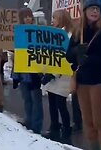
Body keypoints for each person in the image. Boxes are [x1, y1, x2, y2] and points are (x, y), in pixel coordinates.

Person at [66, 0, 101, 150]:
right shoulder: (77, 32)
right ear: (85, 11)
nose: (95, 11)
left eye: (97, 9)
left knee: (99, 121)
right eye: (91, 8)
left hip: (99, 82)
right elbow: (68, 57)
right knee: (87, 121)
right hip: (82, 82)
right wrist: (76, 51)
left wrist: (90, 59)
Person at [42, 9, 74, 141]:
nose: (52, 20)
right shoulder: (53, 34)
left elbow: (65, 58)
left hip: (63, 76)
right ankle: (54, 126)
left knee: (60, 103)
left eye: (54, 18)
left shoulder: (68, 36)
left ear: (61, 19)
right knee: (52, 103)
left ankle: (67, 129)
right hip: (51, 74)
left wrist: (53, 73)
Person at [11, 7, 44, 134]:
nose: (28, 19)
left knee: (36, 100)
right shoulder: (19, 33)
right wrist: (15, 74)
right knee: (27, 98)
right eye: (25, 17)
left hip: (34, 71)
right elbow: (17, 55)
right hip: (22, 71)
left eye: (30, 16)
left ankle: (37, 125)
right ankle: (28, 120)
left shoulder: (38, 32)